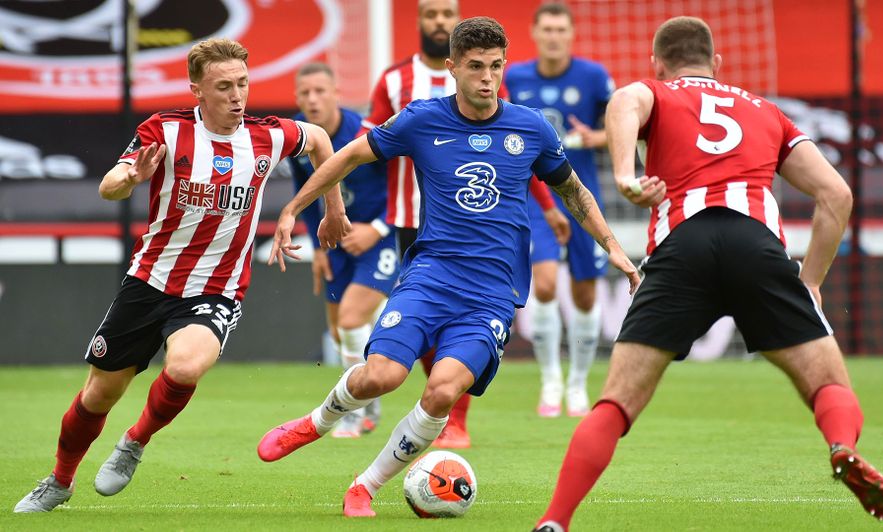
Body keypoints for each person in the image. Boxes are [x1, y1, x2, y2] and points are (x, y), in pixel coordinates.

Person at [256, 17, 639, 518]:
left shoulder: (531, 128)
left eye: (496, 66)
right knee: (381, 377)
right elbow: (348, 156)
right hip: (431, 276)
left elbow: (572, 189)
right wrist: (297, 209)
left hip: (492, 295)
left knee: (442, 390)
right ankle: (316, 422)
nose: (487, 77)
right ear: (452, 67)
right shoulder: (421, 120)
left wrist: (610, 243)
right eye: (476, 67)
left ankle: (364, 487)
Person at [533, 17, 883, 531]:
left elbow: (625, 103)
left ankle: (555, 521)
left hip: (683, 246)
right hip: (757, 247)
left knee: (616, 404)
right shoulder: (767, 111)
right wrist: (810, 282)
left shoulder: (654, 91)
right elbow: (837, 195)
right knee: (827, 384)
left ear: (657, 63)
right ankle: (841, 446)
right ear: (717, 64)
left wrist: (623, 177)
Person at [13, 38, 341, 513]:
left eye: (243, 84)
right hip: (149, 281)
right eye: (224, 86)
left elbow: (321, 142)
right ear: (197, 91)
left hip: (216, 288)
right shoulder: (164, 131)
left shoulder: (267, 136)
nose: (237, 96)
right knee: (98, 395)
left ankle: (135, 441)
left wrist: (330, 209)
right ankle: (60, 481)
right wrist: (127, 180)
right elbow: (110, 185)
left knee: (186, 364)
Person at [363, 0, 569, 448]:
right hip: (409, 217)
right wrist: (364, 215)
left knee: (463, 321)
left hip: (479, 221)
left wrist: (548, 205)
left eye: (446, 13)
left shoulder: (486, 74)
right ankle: (402, 404)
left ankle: (453, 414)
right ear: (420, 23)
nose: (439, 21)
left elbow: (511, 155)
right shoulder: (394, 81)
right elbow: (368, 150)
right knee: (420, 321)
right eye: (431, 14)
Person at [505, 2, 616, 418]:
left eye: (560, 30)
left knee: (586, 294)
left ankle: (578, 383)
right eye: (547, 29)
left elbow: (623, 129)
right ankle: (550, 380)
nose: (554, 36)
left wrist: (596, 138)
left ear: (571, 35)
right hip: (538, 198)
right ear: (535, 33)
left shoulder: (593, 77)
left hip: (582, 197)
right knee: (546, 284)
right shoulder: (514, 77)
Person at [288, 62, 395, 438]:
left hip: (381, 239)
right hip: (335, 243)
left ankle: (363, 408)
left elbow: (406, 187)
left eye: (320, 91)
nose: (313, 99)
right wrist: (317, 248)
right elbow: (306, 192)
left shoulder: (369, 134)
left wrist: (377, 228)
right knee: (339, 333)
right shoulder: (301, 139)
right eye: (305, 93)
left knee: (350, 320)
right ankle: (364, 393)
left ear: (336, 93)